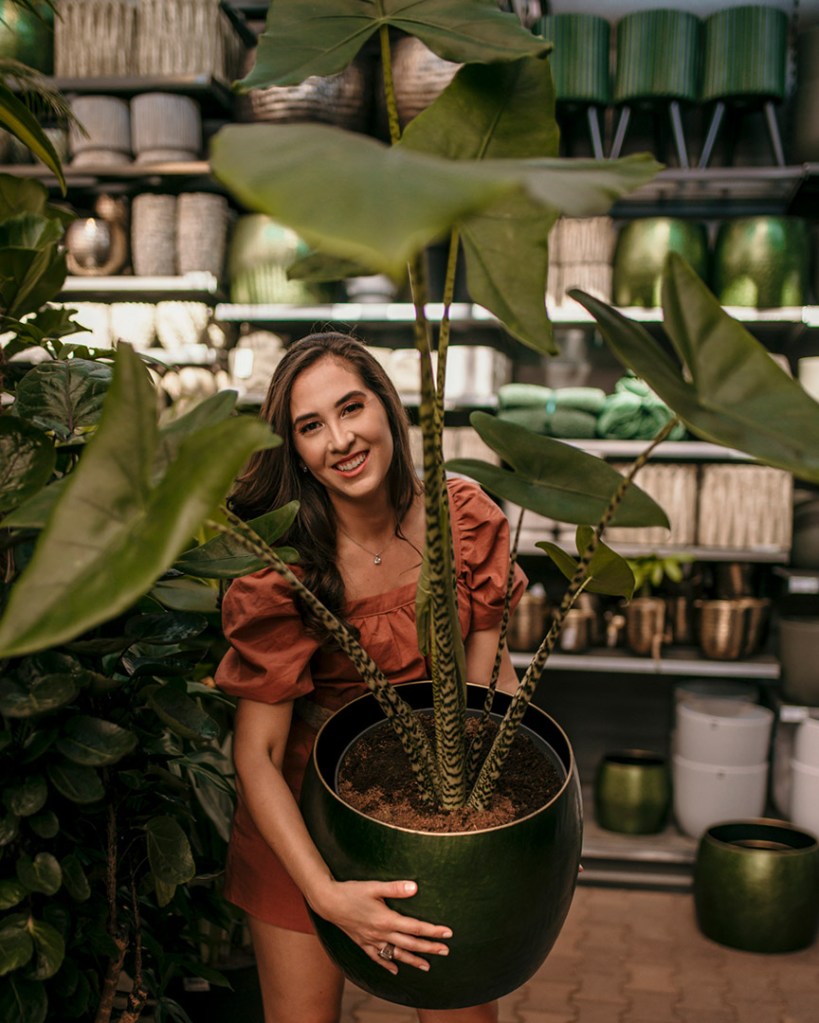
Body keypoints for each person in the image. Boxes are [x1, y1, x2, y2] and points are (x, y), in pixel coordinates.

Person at [215, 332, 527, 1023]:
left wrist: (525, 830)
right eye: (310, 426)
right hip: (300, 827)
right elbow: (257, 752)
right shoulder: (281, 563)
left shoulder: (463, 518)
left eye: (350, 408)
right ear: (294, 449)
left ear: (386, 406)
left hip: (439, 817)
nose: (339, 439)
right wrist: (324, 892)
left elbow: (491, 691)